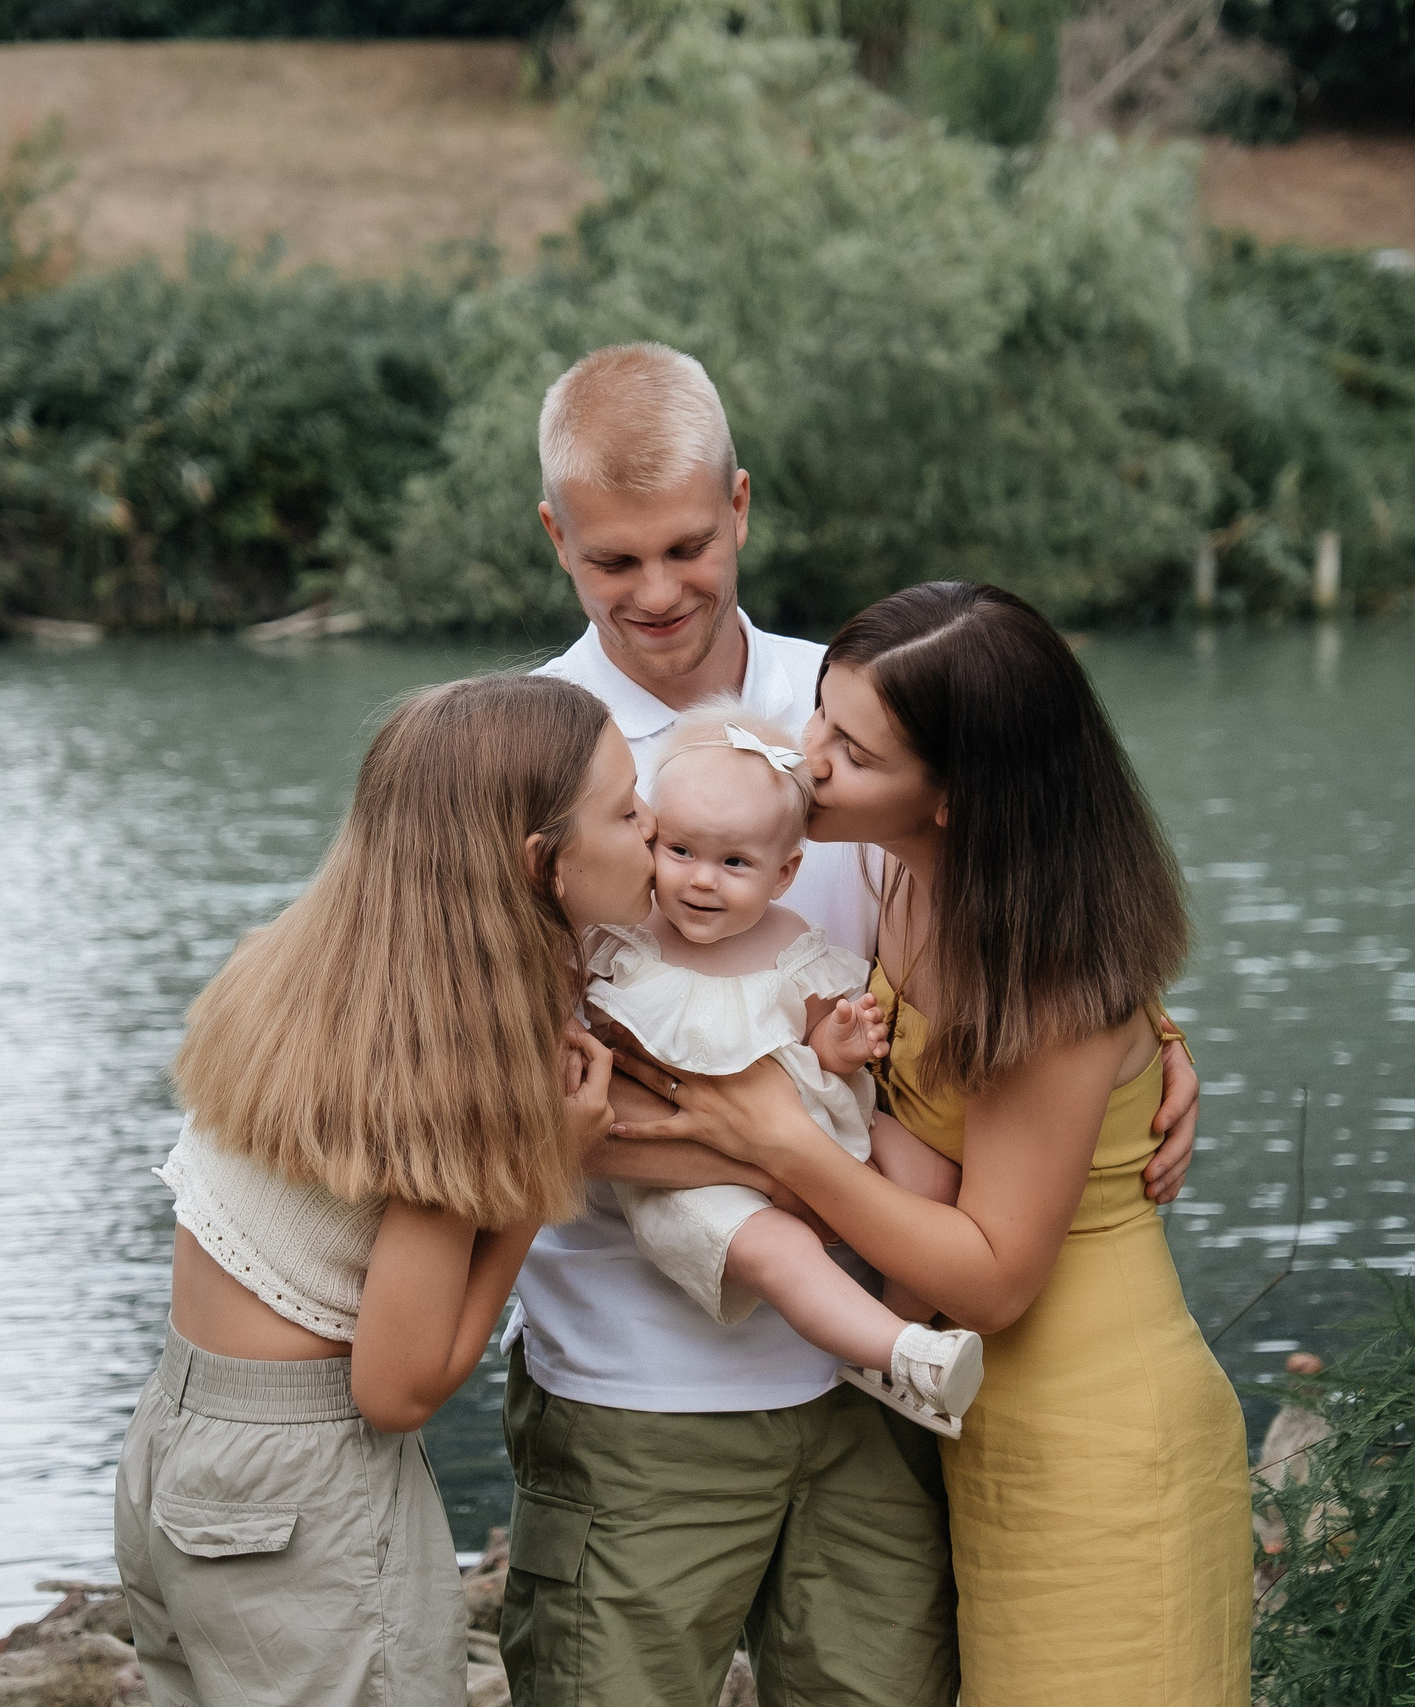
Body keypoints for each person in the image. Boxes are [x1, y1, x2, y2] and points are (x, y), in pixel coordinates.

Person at [503, 342, 1203, 1707]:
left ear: (745, 503)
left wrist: (1148, 1042)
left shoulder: (856, 700)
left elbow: (1025, 893)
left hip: (881, 1392)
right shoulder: (529, 747)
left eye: (690, 544)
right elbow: (513, 1090)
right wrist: (777, 1145)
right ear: (556, 538)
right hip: (638, 1394)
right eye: (613, 561)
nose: (658, 592)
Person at [611, 581, 1255, 1706]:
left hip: (1098, 1439)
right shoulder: (896, 874)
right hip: (973, 1422)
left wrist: (784, 1143)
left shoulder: (1046, 979)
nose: (808, 761)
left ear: (954, 797)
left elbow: (1000, 1279)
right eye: (819, 715)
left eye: (851, 752)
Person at [115, 674, 657, 1707]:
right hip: (300, 1487)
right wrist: (549, 1170)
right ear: (541, 865)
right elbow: (397, 1388)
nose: (654, 826)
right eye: (627, 810)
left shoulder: (309, 961)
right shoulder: (453, 1065)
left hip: (176, 1445)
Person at [585, 700, 984, 1435]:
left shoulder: (794, 941)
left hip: (815, 1115)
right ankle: (905, 1350)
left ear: (785, 870)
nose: (702, 880)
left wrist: (841, 1039)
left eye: (734, 862)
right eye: (681, 852)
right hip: (695, 1174)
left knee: (933, 1176)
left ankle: (889, 1333)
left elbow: (817, 1045)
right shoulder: (625, 945)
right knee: (783, 1245)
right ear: (651, 836)